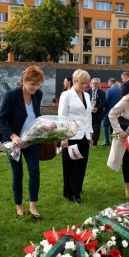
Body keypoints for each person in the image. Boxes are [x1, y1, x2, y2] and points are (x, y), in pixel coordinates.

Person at [0, 66, 45, 219]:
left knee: (34, 171)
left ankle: (33, 207)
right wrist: (13, 136)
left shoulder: (38, 94)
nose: (36, 88)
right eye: (33, 84)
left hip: (31, 141)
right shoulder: (10, 96)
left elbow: (35, 115)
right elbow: (1, 121)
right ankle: (19, 207)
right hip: (13, 144)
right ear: (24, 81)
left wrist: (44, 125)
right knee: (18, 174)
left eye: (38, 85)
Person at [58, 69, 93, 204]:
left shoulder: (87, 96)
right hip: (71, 135)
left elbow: (88, 116)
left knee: (81, 164)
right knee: (71, 165)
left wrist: (90, 134)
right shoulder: (66, 95)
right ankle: (73, 194)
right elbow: (62, 117)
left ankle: (77, 187)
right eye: (82, 83)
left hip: (84, 135)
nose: (85, 86)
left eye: (86, 83)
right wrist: (64, 136)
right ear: (75, 81)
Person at [85, 78, 106, 147]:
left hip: (97, 114)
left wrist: (98, 108)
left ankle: (94, 143)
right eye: (93, 83)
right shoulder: (86, 92)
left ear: (99, 84)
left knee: (96, 129)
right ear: (91, 84)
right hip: (88, 114)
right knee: (87, 128)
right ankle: (87, 142)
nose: (95, 84)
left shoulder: (102, 93)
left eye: (96, 83)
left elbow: (104, 102)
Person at [101, 78, 122, 146]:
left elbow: (106, 102)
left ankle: (106, 140)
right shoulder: (121, 90)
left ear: (109, 83)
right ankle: (115, 139)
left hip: (110, 111)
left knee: (104, 125)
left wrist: (104, 111)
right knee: (115, 126)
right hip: (119, 111)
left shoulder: (109, 90)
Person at [56, 76, 73, 153]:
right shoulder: (64, 92)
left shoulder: (72, 93)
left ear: (69, 82)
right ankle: (58, 146)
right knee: (60, 129)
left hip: (70, 119)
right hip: (62, 115)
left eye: (65, 81)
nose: (64, 83)